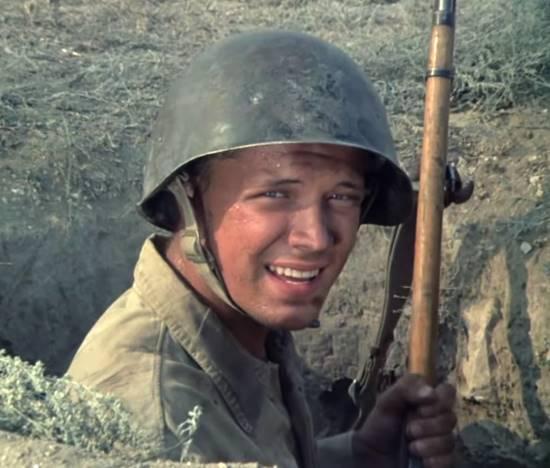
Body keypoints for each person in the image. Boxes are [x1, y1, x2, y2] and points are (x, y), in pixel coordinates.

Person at [67, 30, 457, 467]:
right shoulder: (160, 425)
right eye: (275, 194)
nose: (315, 237)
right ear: (188, 195)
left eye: (341, 196)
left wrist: (360, 453)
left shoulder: (236, 327)